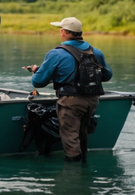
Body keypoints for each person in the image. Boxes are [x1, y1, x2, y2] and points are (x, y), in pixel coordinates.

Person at [28, 17, 113, 163]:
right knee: (83, 131)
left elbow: (38, 82)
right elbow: (107, 75)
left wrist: (38, 71)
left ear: (64, 32)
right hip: (92, 100)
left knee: (70, 135)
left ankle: (74, 169)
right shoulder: (95, 52)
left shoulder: (56, 54)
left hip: (70, 102)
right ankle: (84, 161)